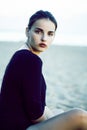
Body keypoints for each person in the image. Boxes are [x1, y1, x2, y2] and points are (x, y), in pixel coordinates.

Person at [0, 10, 87, 130]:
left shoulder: (21, 55)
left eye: (50, 33)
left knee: (58, 111)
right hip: (20, 127)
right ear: (27, 31)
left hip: (12, 124)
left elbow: (35, 104)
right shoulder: (30, 60)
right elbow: (35, 114)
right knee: (80, 116)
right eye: (38, 31)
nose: (44, 38)